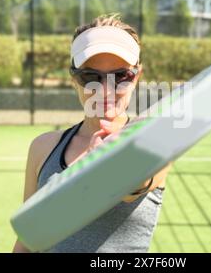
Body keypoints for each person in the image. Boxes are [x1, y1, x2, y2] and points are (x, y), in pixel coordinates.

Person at [13, 13, 172, 253]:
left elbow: (134, 186)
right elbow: (29, 238)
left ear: (137, 76)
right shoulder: (42, 148)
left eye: (121, 76)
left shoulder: (154, 142)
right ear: (73, 79)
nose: (106, 89)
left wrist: (113, 165)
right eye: (90, 77)